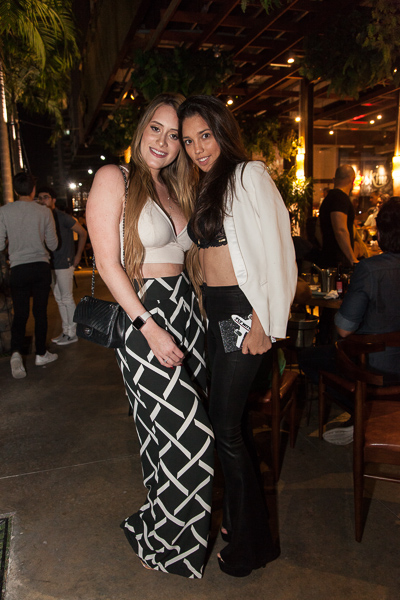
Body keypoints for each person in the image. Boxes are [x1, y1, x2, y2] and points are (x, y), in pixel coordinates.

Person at [86, 93, 214, 578]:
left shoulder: (176, 188)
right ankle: (171, 544)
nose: (163, 141)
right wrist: (148, 327)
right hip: (146, 317)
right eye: (155, 128)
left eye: (174, 135)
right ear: (141, 129)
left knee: (164, 436)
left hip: (188, 315)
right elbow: (106, 263)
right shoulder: (114, 178)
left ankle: (158, 532)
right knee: (193, 438)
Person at [178, 95, 297, 577]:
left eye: (204, 136)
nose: (198, 148)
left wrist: (263, 322)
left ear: (222, 131)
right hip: (217, 313)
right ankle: (239, 519)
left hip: (243, 314)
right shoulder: (208, 184)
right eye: (189, 141)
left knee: (223, 427)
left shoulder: (249, 175)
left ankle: (254, 544)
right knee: (232, 424)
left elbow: (280, 250)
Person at [299, 197, 400, 444]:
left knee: (308, 357)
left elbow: (344, 329)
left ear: (380, 233)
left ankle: (363, 411)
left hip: (374, 368)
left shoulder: (370, 269)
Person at [0, 172, 59, 378]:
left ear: (16, 190)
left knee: (21, 312)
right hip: (40, 266)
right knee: (40, 312)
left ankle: (16, 353)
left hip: (18, 268)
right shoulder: (44, 211)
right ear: (33, 189)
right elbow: (53, 244)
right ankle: (41, 353)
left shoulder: (4, 211)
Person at [37, 187, 87, 345]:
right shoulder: (42, 217)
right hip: (50, 262)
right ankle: (66, 331)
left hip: (64, 262)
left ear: (53, 200)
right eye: (40, 198)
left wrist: (78, 255)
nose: (42, 201)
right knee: (59, 298)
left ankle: (73, 333)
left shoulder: (62, 217)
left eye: (45, 197)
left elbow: (83, 232)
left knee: (66, 297)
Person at [319, 165, 359, 268]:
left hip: (328, 257)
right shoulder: (340, 198)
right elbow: (340, 230)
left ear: (334, 179)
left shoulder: (328, 198)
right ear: (352, 180)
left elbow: (317, 231)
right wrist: (352, 258)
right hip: (339, 261)